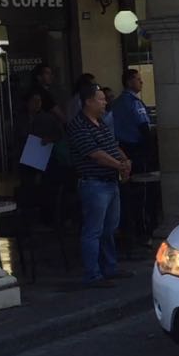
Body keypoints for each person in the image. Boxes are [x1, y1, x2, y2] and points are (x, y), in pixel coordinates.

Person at [66, 85, 133, 287]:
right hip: (93, 183)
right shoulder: (78, 125)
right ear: (88, 101)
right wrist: (119, 165)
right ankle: (92, 274)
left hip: (110, 182)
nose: (105, 102)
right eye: (101, 99)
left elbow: (112, 145)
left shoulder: (101, 123)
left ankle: (110, 267)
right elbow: (95, 154)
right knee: (93, 230)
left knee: (109, 228)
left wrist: (125, 159)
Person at [111, 69, 151, 171]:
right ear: (129, 82)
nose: (141, 82)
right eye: (138, 79)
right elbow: (143, 125)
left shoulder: (116, 103)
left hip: (121, 147)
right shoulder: (134, 102)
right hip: (135, 147)